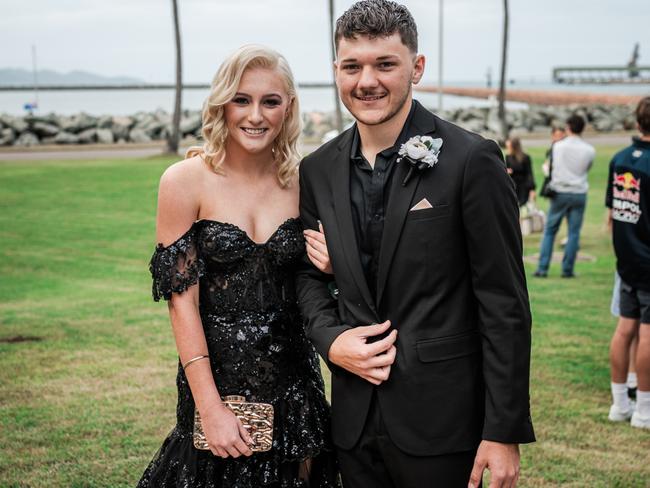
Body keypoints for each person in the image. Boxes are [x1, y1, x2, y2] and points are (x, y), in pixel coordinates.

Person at [296, 1, 535, 487]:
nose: (367, 81)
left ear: (417, 68)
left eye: (385, 64)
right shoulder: (316, 169)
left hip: (444, 424)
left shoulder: (472, 160)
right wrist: (331, 339)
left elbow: (503, 300)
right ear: (335, 72)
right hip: (353, 422)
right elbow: (305, 273)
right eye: (352, 66)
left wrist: (503, 430)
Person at [137, 45, 340, 487]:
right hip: (218, 382)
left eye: (271, 101)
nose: (256, 115)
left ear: (288, 108)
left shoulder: (305, 182)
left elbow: (322, 288)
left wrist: (331, 268)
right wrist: (209, 408)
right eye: (241, 100)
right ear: (221, 104)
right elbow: (182, 305)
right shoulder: (184, 182)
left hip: (295, 385)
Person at [606, 96, 650, 429]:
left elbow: (613, 214)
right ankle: (644, 411)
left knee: (624, 330)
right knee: (646, 335)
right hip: (647, 259)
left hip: (626, 259)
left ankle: (620, 404)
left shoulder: (620, 160)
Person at [534, 114, 595, 278]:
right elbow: (586, 169)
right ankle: (567, 269)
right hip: (578, 192)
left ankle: (542, 267)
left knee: (550, 231)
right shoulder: (589, 150)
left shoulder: (558, 146)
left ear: (568, 127)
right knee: (573, 233)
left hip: (560, 191)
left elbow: (552, 167)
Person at [505, 137, 536, 206]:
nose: (508, 149)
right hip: (512, 185)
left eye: (509, 147)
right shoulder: (508, 157)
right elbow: (506, 169)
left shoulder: (525, 157)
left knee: (522, 205)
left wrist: (532, 189)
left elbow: (529, 173)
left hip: (523, 186)